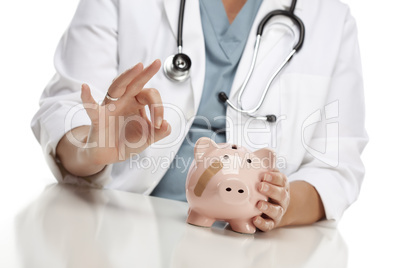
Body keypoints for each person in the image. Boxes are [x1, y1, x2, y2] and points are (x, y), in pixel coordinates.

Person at [31, 0, 368, 232]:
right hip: (121, 222)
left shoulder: (330, 17)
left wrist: (279, 204)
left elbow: (337, 167)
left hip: (257, 248)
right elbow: (66, 106)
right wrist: (92, 147)